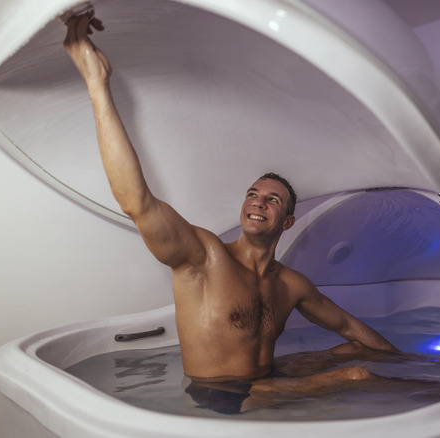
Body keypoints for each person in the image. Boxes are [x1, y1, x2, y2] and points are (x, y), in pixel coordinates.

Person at [62, 13, 397, 411]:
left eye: (272, 200)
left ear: (287, 221)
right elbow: (137, 202)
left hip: (263, 380)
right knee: (356, 375)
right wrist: (97, 85)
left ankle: (429, 379)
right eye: (253, 194)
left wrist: (402, 357)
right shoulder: (204, 257)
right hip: (218, 394)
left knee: (350, 352)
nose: (258, 202)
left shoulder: (292, 285)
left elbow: (350, 328)